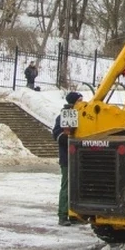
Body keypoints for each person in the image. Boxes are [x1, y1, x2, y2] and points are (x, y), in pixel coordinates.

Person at [53, 91, 81, 226]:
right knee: (67, 186)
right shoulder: (63, 117)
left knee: (78, 186)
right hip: (68, 158)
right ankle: (63, 214)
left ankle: (74, 214)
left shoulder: (83, 115)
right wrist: (68, 136)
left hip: (80, 158)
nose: (82, 103)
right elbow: (58, 136)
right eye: (79, 100)